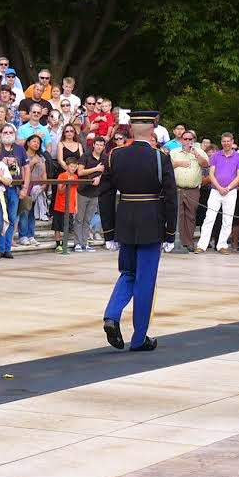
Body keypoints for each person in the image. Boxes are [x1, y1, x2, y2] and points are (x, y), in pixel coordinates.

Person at [100, 111, 177, 352]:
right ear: (153, 129)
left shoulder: (115, 156)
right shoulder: (159, 157)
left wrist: (109, 231)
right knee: (145, 279)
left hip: (125, 221)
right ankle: (139, 338)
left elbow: (105, 195)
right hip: (151, 221)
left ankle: (112, 315)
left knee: (127, 272)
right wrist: (170, 233)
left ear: (131, 129)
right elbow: (171, 197)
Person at [195, 132, 239, 254]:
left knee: (228, 219)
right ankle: (202, 245)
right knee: (209, 218)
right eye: (224, 141)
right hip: (216, 191)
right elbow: (211, 174)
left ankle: (222, 245)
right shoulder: (215, 156)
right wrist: (219, 187)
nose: (226, 143)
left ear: (232, 142)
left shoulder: (238, 157)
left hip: (231, 192)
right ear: (221, 142)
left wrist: (228, 188)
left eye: (228, 141)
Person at [169, 130, 208, 251]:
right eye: (185, 139)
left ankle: (189, 241)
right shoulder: (174, 152)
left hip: (192, 189)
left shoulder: (199, 151)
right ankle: (178, 240)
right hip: (178, 189)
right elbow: (167, 167)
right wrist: (179, 163)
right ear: (181, 140)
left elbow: (205, 164)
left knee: (191, 216)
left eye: (190, 139)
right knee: (178, 215)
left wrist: (196, 154)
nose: (187, 141)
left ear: (194, 140)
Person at [0, 123, 30, 257]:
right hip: (0, 188)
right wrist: (2, 162)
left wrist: (25, 188)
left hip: (15, 188)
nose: (8, 134)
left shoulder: (20, 149)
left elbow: (26, 168)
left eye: (11, 132)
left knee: (11, 218)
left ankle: (7, 248)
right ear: (0, 134)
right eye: (5, 132)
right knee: (0, 219)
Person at [74, 136, 106, 252]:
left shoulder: (104, 158)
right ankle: (77, 243)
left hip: (95, 193)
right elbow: (80, 171)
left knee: (88, 219)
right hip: (83, 191)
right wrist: (96, 169)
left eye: (101, 145)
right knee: (79, 219)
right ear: (93, 145)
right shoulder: (86, 156)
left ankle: (85, 243)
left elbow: (105, 172)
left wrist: (99, 176)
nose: (99, 147)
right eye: (97, 144)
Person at [52, 156, 79, 253]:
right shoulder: (62, 175)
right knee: (57, 226)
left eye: (75, 167)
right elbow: (60, 190)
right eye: (72, 166)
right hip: (60, 205)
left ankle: (64, 243)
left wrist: (76, 205)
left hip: (70, 205)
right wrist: (68, 183)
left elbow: (75, 191)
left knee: (68, 226)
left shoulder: (76, 177)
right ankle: (58, 244)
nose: (73, 168)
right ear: (67, 166)